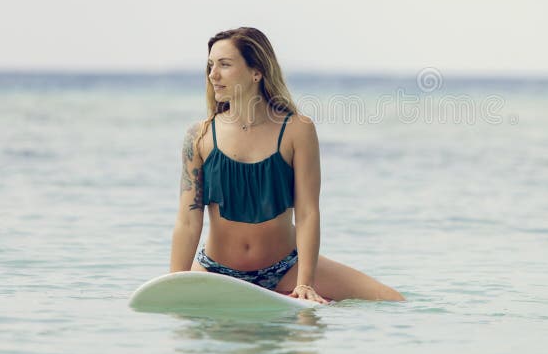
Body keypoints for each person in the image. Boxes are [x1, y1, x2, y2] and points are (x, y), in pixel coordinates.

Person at [169, 27, 404, 303]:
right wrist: (174, 284)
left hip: (286, 269)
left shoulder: (297, 130)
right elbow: (187, 220)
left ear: (256, 72)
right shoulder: (199, 136)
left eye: (224, 65)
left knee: (392, 301)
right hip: (216, 270)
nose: (213, 75)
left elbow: (307, 213)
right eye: (210, 66)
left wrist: (306, 283)